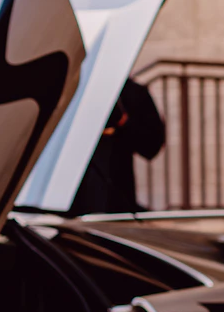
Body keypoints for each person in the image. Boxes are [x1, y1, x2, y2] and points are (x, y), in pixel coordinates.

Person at [68, 78, 165, 216]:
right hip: (74, 199)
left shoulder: (131, 91)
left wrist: (123, 121)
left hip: (115, 197)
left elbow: (151, 146)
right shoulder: (71, 87)